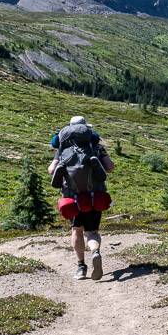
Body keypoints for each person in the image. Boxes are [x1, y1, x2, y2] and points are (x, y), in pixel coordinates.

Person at [48, 116, 115, 280]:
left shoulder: (63, 149)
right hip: (95, 196)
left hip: (73, 198)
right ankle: (95, 251)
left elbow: (51, 170)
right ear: (86, 129)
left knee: (77, 231)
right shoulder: (96, 147)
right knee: (92, 232)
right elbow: (110, 167)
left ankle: (81, 267)